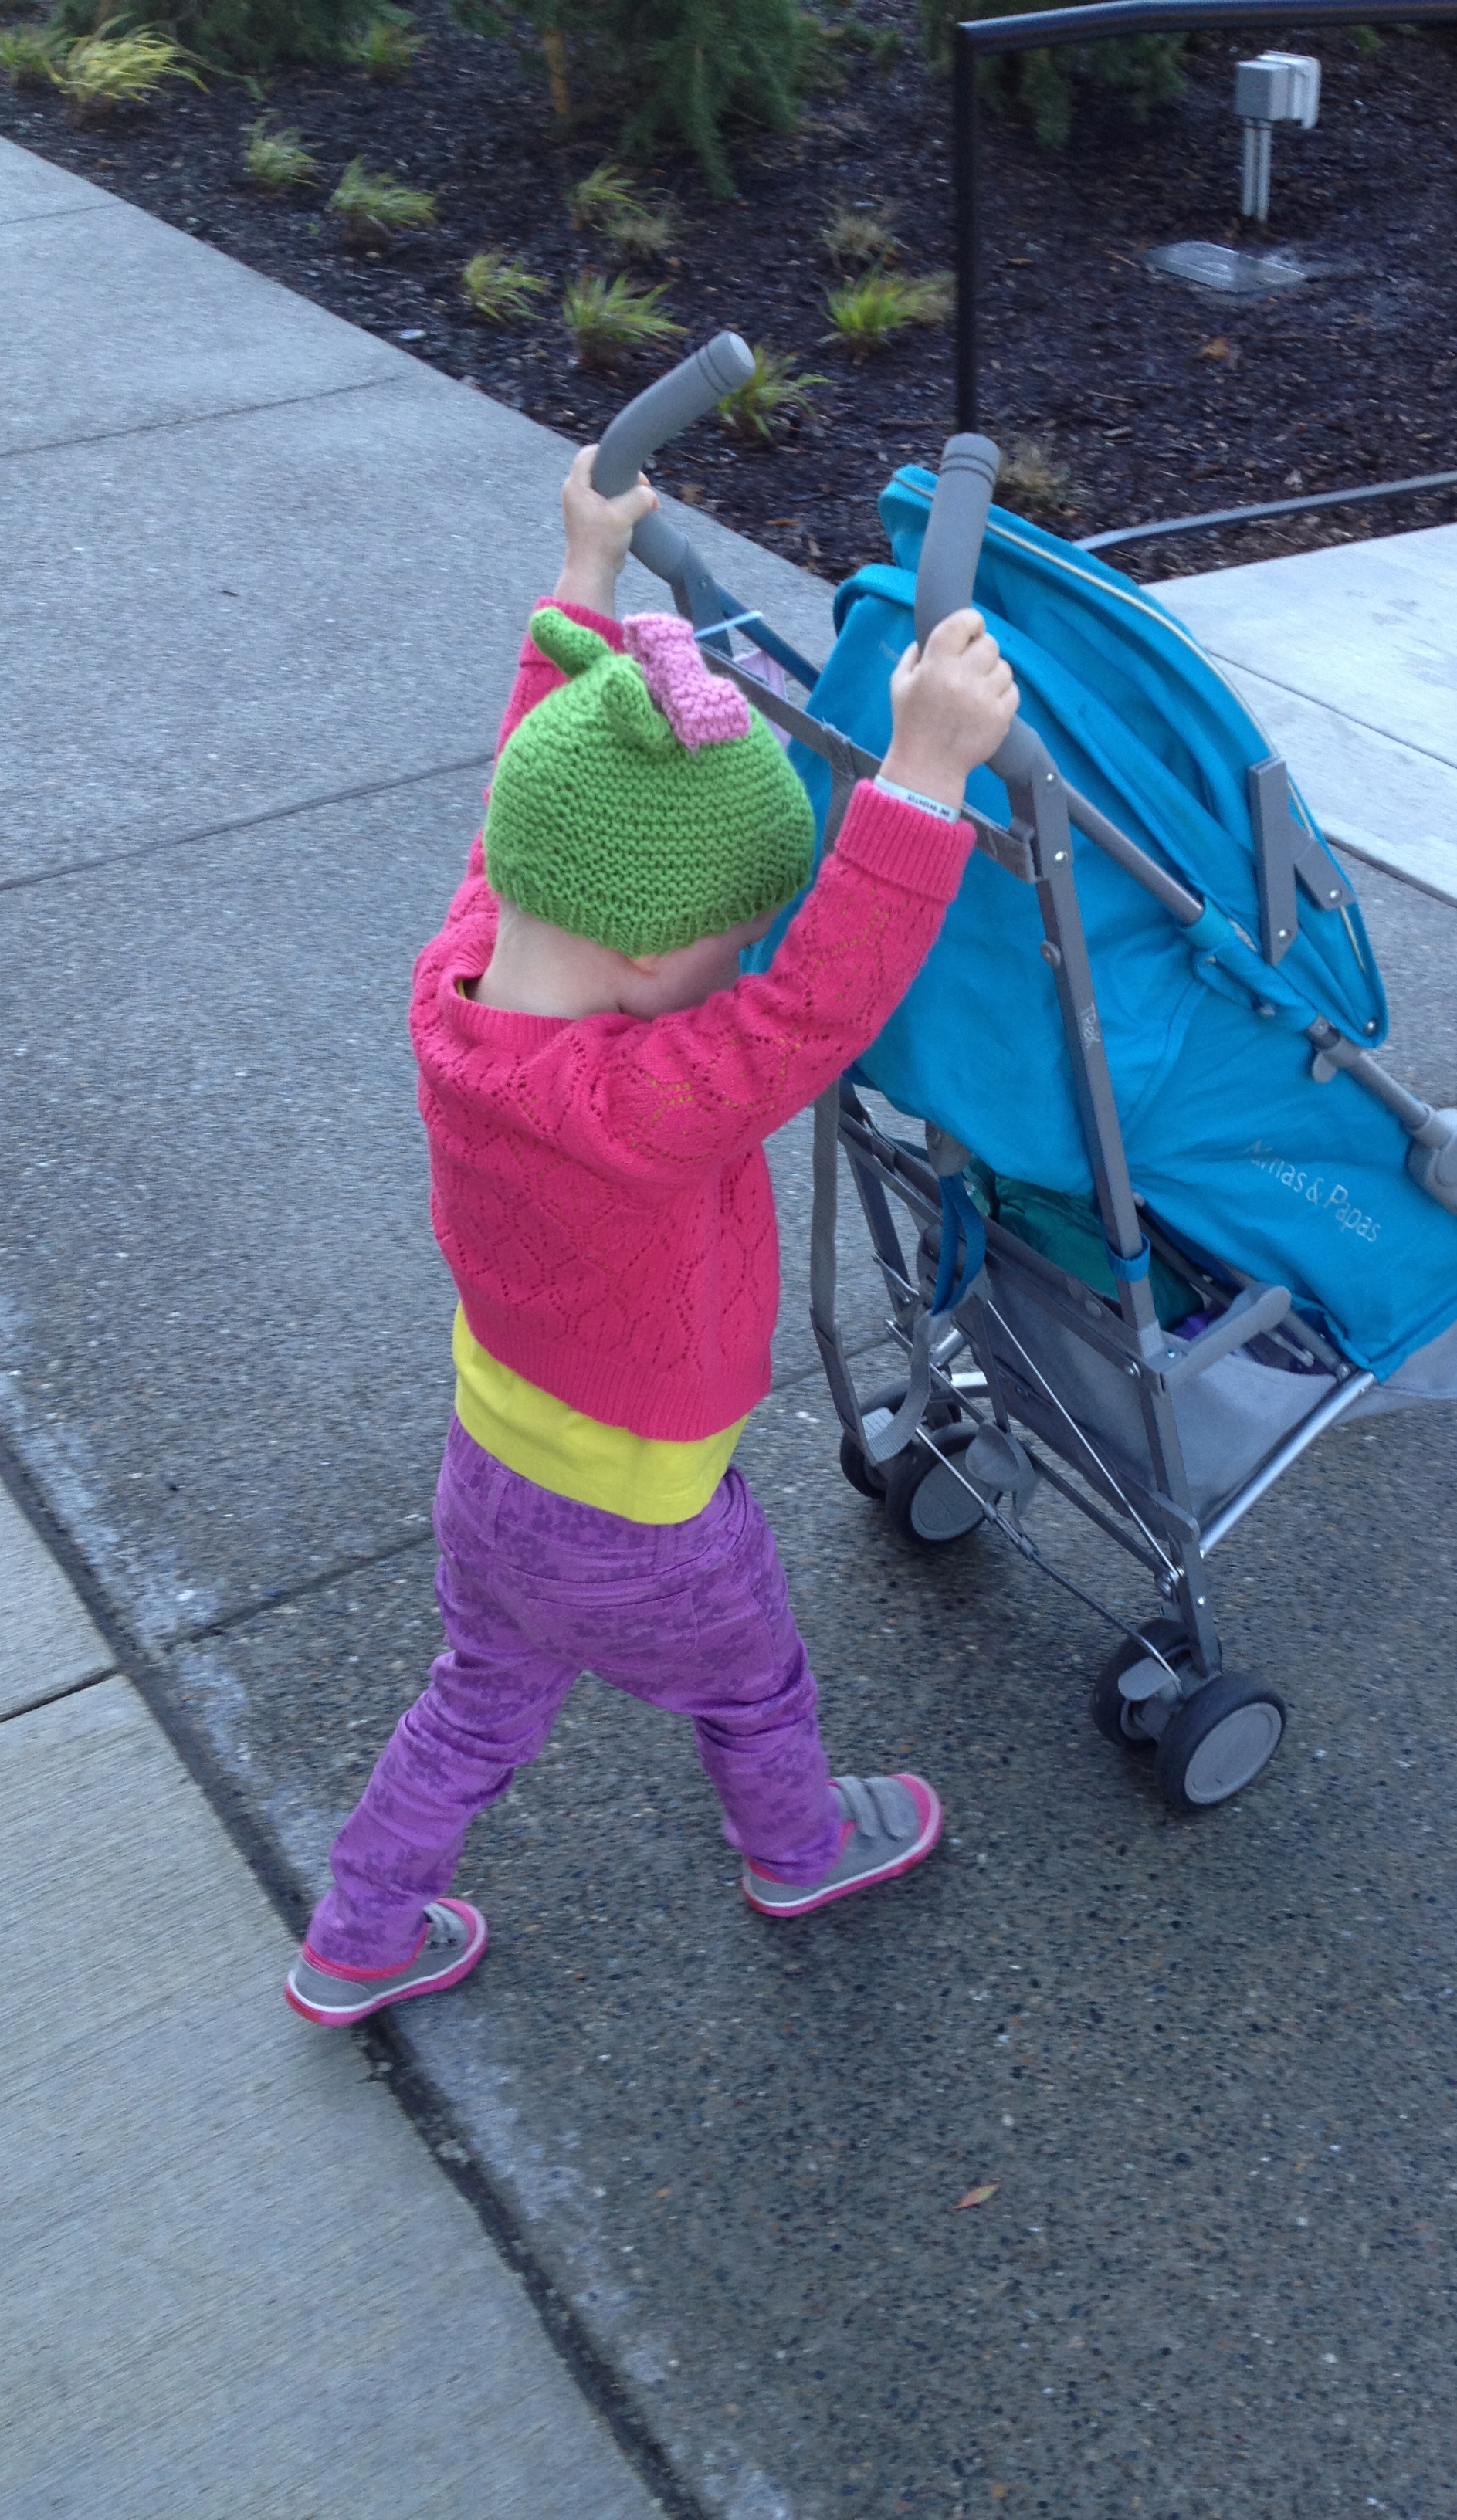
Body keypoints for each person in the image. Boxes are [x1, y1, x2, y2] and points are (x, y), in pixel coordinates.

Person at [286, 445, 1018, 2025]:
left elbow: (523, 789)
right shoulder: (641, 1101)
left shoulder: (463, 973)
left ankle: (357, 1931)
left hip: (493, 1471)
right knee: (752, 1684)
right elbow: (816, 1005)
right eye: (725, 946)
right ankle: (801, 1849)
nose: (738, 973)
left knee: (476, 1703)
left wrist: (586, 580)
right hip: (645, 1520)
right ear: (640, 959)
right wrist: (922, 779)